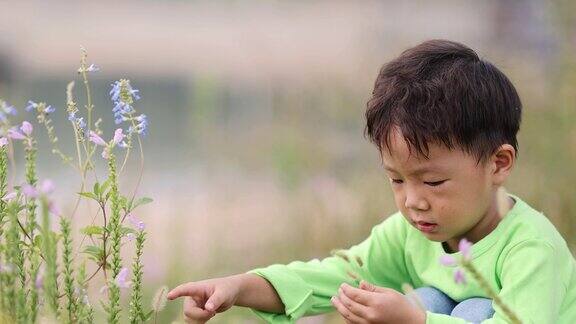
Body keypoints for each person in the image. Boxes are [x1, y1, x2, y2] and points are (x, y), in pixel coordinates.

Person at [167, 39, 576, 323]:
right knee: (414, 300)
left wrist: (416, 322)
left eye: (433, 182)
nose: (413, 201)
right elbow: (330, 278)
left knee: (463, 311)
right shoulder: (411, 233)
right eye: (397, 180)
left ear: (499, 164)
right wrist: (238, 287)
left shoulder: (530, 247)